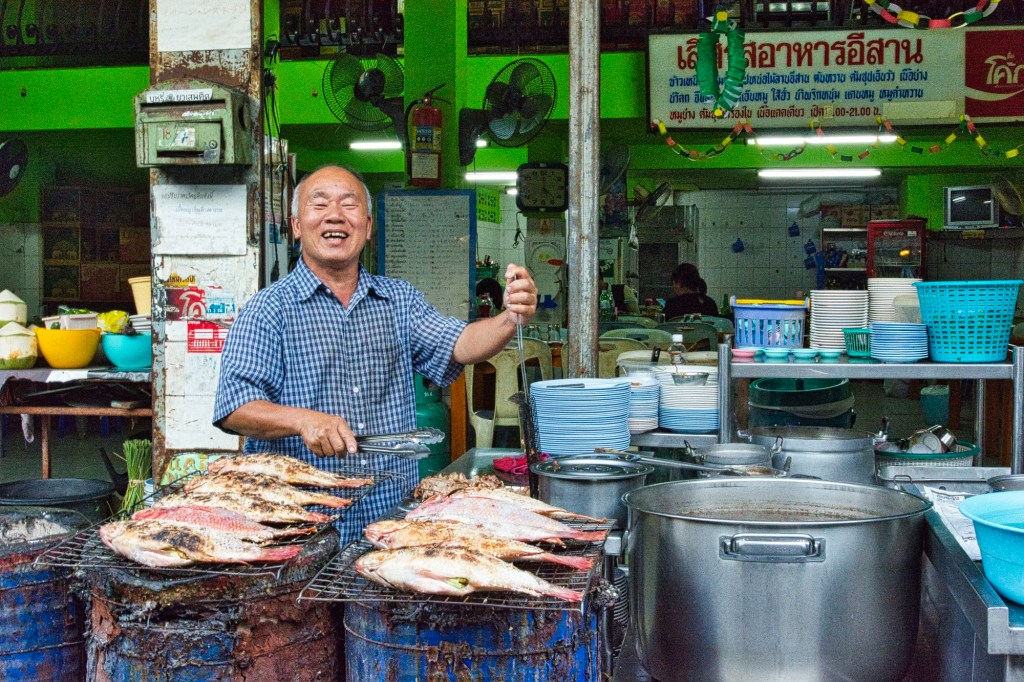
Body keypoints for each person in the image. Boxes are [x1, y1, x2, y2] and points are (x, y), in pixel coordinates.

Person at [213, 165, 538, 543]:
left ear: (367, 227)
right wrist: (303, 421)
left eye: (348, 205)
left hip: (388, 520)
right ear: (297, 225)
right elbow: (235, 407)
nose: (335, 215)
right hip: (301, 525)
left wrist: (509, 318)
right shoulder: (268, 309)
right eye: (319, 204)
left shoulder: (398, 300)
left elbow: (461, 343)